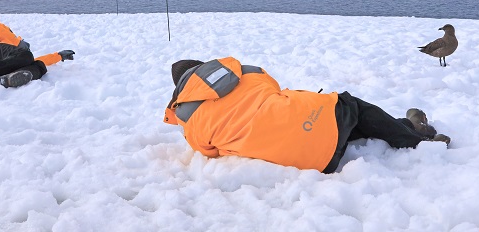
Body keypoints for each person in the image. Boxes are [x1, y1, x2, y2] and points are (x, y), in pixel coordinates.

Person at [164, 57, 450, 173]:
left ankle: (409, 126)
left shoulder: (191, 125)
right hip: (313, 118)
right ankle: (417, 139)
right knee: (351, 108)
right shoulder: (245, 73)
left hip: (310, 161)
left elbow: (209, 151)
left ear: (181, 91)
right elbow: (272, 87)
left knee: (337, 124)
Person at [0, 20, 75, 89]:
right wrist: (16, 42)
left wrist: (58, 56)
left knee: (39, 65)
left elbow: (32, 59)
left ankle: (10, 79)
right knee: (26, 56)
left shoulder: (19, 55)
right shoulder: (5, 36)